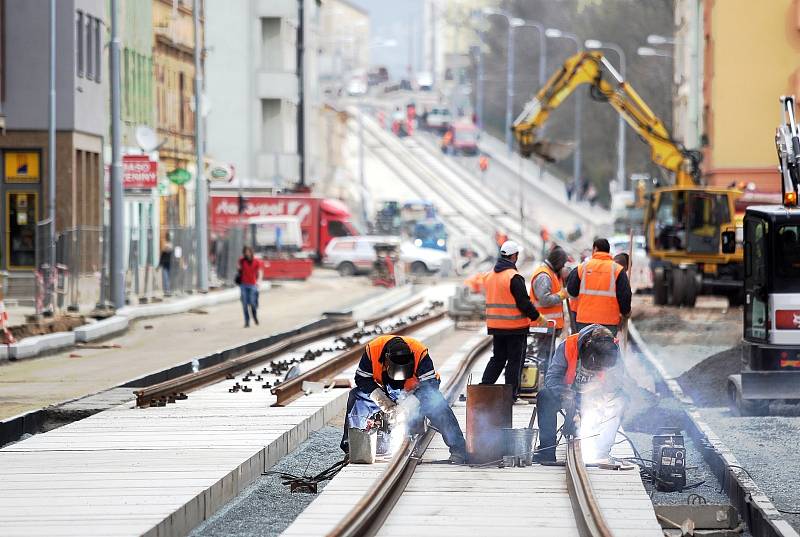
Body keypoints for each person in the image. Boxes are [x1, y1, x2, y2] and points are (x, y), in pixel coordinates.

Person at [340, 335, 467, 463]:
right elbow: (362, 379)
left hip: (415, 391)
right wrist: (383, 402)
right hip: (384, 391)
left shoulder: (419, 352)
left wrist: (407, 406)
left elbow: (431, 384)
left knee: (436, 403)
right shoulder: (373, 350)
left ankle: (459, 450)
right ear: (386, 361)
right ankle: (353, 448)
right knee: (357, 397)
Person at [534, 324, 626, 463]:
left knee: (620, 401)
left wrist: (600, 398)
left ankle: (601, 452)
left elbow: (618, 382)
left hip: (596, 395)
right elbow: (552, 378)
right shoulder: (568, 345)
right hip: (567, 392)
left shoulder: (612, 349)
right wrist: (565, 395)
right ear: (587, 346)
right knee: (545, 396)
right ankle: (547, 451)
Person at [481, 240, 545, 402]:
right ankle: (511, 396)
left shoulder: (489, 276)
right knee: (515, 361)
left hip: (496, 326)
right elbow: (523, 303)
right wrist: (537, 317)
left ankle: (483, 389)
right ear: (514, 256)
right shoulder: (514, 277)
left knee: (498, 358)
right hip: (515, 327)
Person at [567, 238, 632, 335]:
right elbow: (625, 296)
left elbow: (571, 291)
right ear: (608, 251)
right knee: (606, 349)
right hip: (609, 322)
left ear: (595, 249)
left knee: (586, 349)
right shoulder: (617, 270)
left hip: (585, 321)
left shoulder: (582, 267)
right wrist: (625, 312)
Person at [531, 245, 569, 338]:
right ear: (558, 263)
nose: (562, 267)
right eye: (562, 264)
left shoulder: (550, 273)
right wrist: (561, 295)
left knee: (548, 352)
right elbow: (544, 300)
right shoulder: (544, 276)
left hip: (547, 326)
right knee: (545, 353)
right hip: (543, 326)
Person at [238, 246, 263, 328]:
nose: (247, 253)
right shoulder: (241, 260)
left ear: (251, 252)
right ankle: (247, 321)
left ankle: (255, 316)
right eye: (245, 252)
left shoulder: (256, 261)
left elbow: (260, 272)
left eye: (248, 252)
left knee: (252, 303)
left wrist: (259, 281)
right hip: (243, 285)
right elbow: (239, 270)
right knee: (244, 304)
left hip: (253, 285)